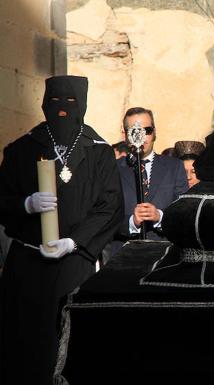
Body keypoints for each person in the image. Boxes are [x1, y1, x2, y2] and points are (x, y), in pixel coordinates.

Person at [0, 75, 123, 385]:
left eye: (70, 103)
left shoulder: (99, 153)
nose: (62, 111)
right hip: (29, 262)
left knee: (67, 338)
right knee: (26, 341)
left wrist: (73, 242)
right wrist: (26, 204)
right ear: (44, 105)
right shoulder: (22, 149)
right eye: (55, 103)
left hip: (74, 262)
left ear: (81, 106)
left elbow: (110, 207)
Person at [111, 107, 186, 253]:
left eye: (147, 130)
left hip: (164, 255)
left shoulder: (174, 167)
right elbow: (105, 216)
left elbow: (184, 213)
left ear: (154, 132)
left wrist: (160, 217)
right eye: (134, 131)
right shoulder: (113, 170)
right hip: (125, 255)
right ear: (125, 135)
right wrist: (132, 222)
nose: (142, 136)